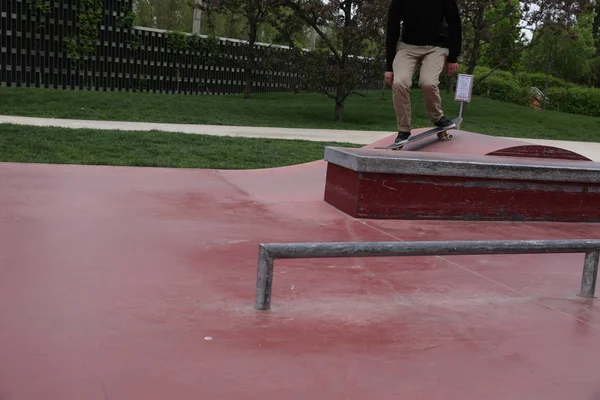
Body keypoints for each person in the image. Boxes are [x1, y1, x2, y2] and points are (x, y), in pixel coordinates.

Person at [384, 0, 462, 145]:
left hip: (436, 46)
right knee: (400, 83)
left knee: (428, 82)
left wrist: (453, 57)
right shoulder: (398, 2)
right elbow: (392, 31)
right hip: (407, 46)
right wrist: (389, 67)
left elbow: (455, 24)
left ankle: (437, 117)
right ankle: (404, 129)